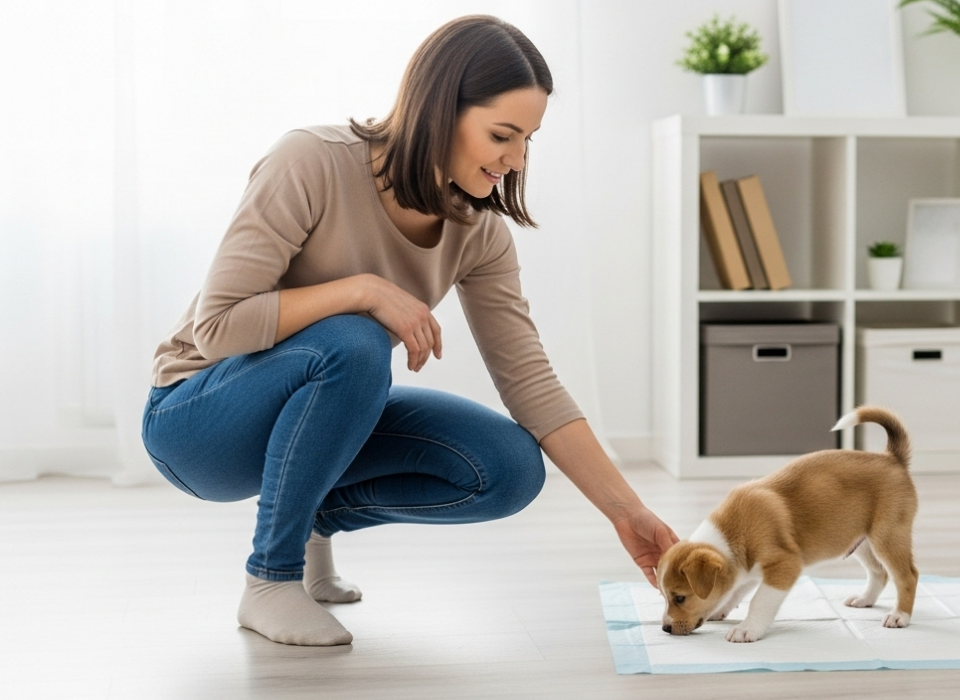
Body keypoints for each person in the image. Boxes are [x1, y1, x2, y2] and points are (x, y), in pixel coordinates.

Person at [140, 15, 678, 647]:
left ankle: (312, 519)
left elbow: (530, 380)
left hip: (319, 407)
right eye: (502, 135)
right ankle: (270, 580)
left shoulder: (479, 233)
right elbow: (219, 326)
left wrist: (627, 511)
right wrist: (364, 291)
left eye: (529, 138)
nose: (517, 159)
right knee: (356, 339)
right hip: (197, 419)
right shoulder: (311, 161)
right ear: (438, 110)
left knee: (507, 468)